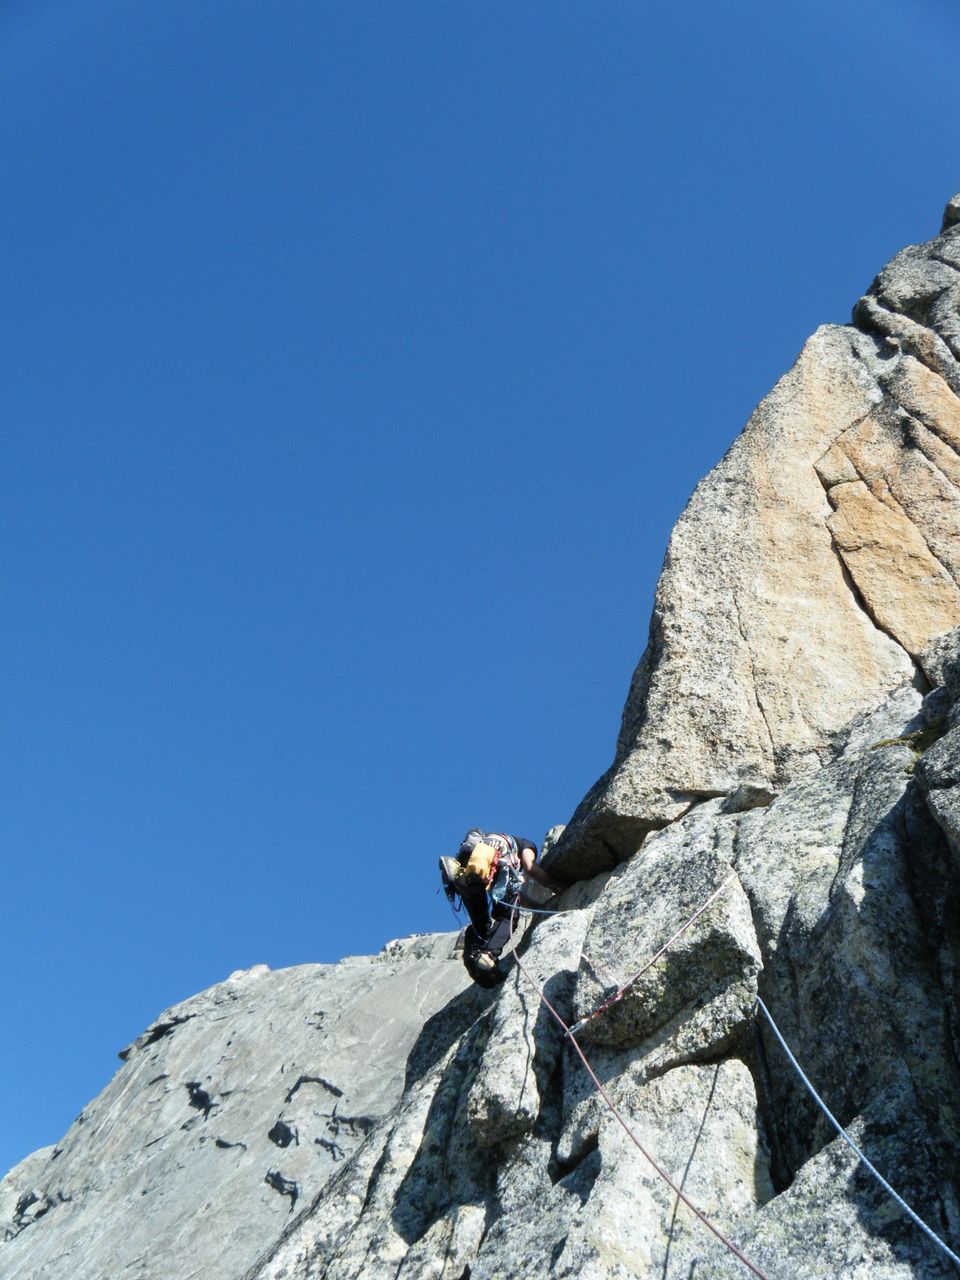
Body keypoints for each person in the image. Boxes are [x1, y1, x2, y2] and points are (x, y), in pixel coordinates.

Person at [439, 829, 567, 987]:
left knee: (481, 924)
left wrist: (540, 907)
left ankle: (472, 955)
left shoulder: (485, 840)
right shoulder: (528, 845)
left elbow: (518, 898)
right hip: (498, 858)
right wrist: (558, 885)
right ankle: (487, 955)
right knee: (508, 918)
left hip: (476, 864)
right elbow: (530, 867)